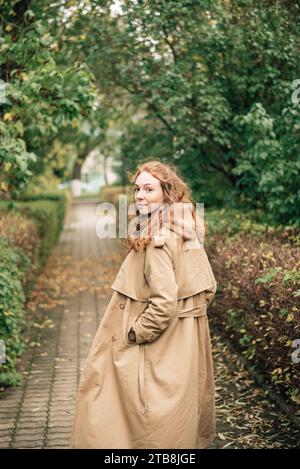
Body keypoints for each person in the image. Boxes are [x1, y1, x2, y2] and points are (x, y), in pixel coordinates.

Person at [69, 160, 217, 449]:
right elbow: (209, 287)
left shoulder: (157, 239)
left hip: (155, 343)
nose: (139, 196)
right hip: (183, 341)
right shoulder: (190, 234)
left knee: (125, 410)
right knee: (174, 417)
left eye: (149, 189)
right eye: (137, 189)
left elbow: (162, 305)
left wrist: (135, 333)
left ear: (166, 193)